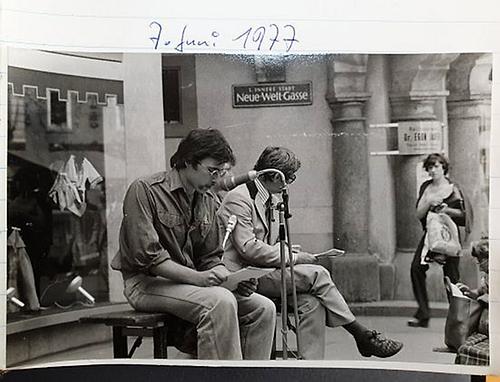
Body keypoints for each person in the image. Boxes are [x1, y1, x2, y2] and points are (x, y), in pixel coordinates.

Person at [218, 146, 403, 359]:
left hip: (263, 270)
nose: (290, 183)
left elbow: (269, 242)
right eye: (290, 177)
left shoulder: (270, 198)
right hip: (245, 276)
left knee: (311, 304)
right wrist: (294, 258)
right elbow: (248, 247)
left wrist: (286, 250)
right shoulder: (239, 198)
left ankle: (309, 368)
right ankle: (362, 335)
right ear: (274, 176)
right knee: (318, 274)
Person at [111, 129, 276, 360]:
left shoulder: (207, 199)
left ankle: (250, 378)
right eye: (212, 171)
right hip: (145, 283)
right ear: (187, 161)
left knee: (262, 308)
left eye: (221, 172)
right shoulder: (144, 190)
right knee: (219, 301)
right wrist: (199, 278)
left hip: (189, 283)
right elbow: (149, 258)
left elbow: (209, 257)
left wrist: (231, 279)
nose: (217, 179)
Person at [408, 153, 471, 328]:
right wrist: (428, 201)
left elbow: (464, 216)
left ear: (444, 167)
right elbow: (418, 214)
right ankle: (423, 313)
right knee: (416, 269)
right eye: (430, 167)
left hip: (449, 234)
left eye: (436, 166)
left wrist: (446, 210)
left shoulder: (454, 188)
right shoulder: (426, 187)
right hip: (430, 235)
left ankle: (458, 318)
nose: (433, 170)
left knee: (452, 276)